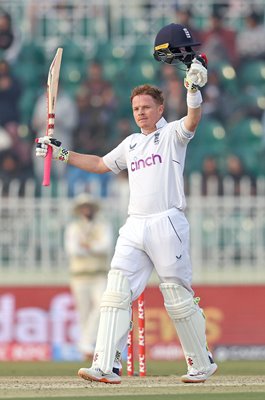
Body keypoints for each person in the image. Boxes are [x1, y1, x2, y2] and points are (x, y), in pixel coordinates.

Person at [35, 24, 217, 385]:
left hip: (167, 223)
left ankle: (201, 363)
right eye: (136, 108)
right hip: (135, 225)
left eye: (147, 107)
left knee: (177, 296)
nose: (141, 113)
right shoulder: (131, 143)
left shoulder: (173, 135)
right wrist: (62, 153)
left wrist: (194, 90)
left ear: (160, 107)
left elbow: (193, 119)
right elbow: (101, 164)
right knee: (116, 290)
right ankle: (107, 364)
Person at [64, 193, 112, 359]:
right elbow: (72, 250)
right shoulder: (73, 227)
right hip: (79, 276)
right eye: (84, 207)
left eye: (89, 207)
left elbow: (106, 246)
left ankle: (86, 341)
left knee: (102, 306)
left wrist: (88, 246)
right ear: (79, 210)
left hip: (99, 274)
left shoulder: (103, 225)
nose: (87, 210)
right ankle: (87, 348)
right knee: (83, 312)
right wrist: (92, 248)